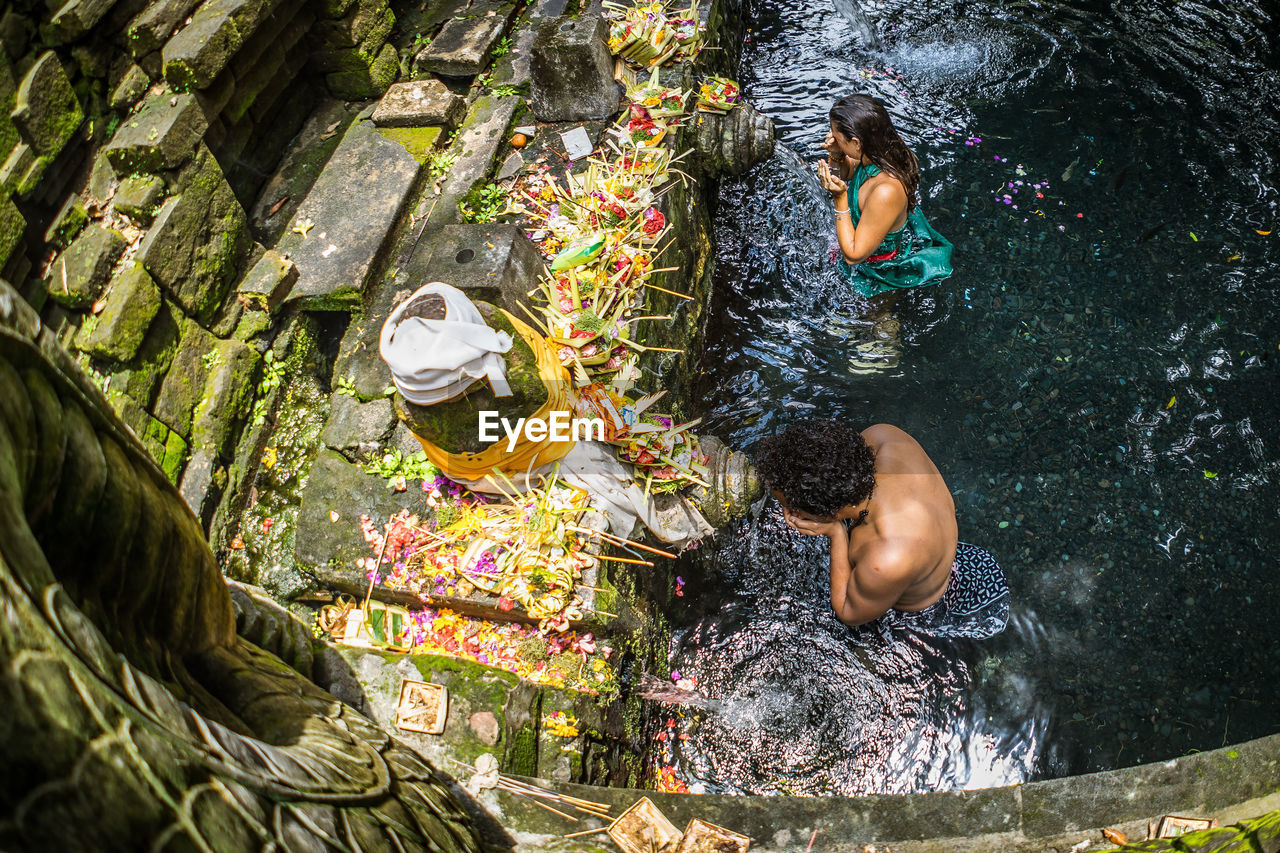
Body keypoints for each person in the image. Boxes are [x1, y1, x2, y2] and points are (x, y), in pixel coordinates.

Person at [755, 418, 1009, 641]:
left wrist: (837, 534)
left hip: (927, 609)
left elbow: (847, 612)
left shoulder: (886, 558)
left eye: (787, 505)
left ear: (830, 513)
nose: (787, 511)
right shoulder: (883, 437)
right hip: (948, 554)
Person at [817, 94, 954, 300]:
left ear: (856, 142)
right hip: (866, 247)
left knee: (879, 323)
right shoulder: (876, 153)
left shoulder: (885, 191)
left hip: (879, 270)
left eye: (836, 135)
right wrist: (837, 154)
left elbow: (854, 255)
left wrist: (840, 198)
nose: (831, 136)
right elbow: (846, 172)